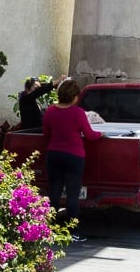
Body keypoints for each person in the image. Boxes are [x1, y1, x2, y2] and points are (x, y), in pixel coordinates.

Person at [42, 78, 103, 241]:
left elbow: (46, 133)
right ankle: (73, 231)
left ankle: (50, 229)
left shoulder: (50, 111)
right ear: (74, 96)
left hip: (54, 154)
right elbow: (90, 135)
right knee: (72, 195)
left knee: (54, 192)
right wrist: (101, 134)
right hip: (74, 156)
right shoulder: (78, 113)